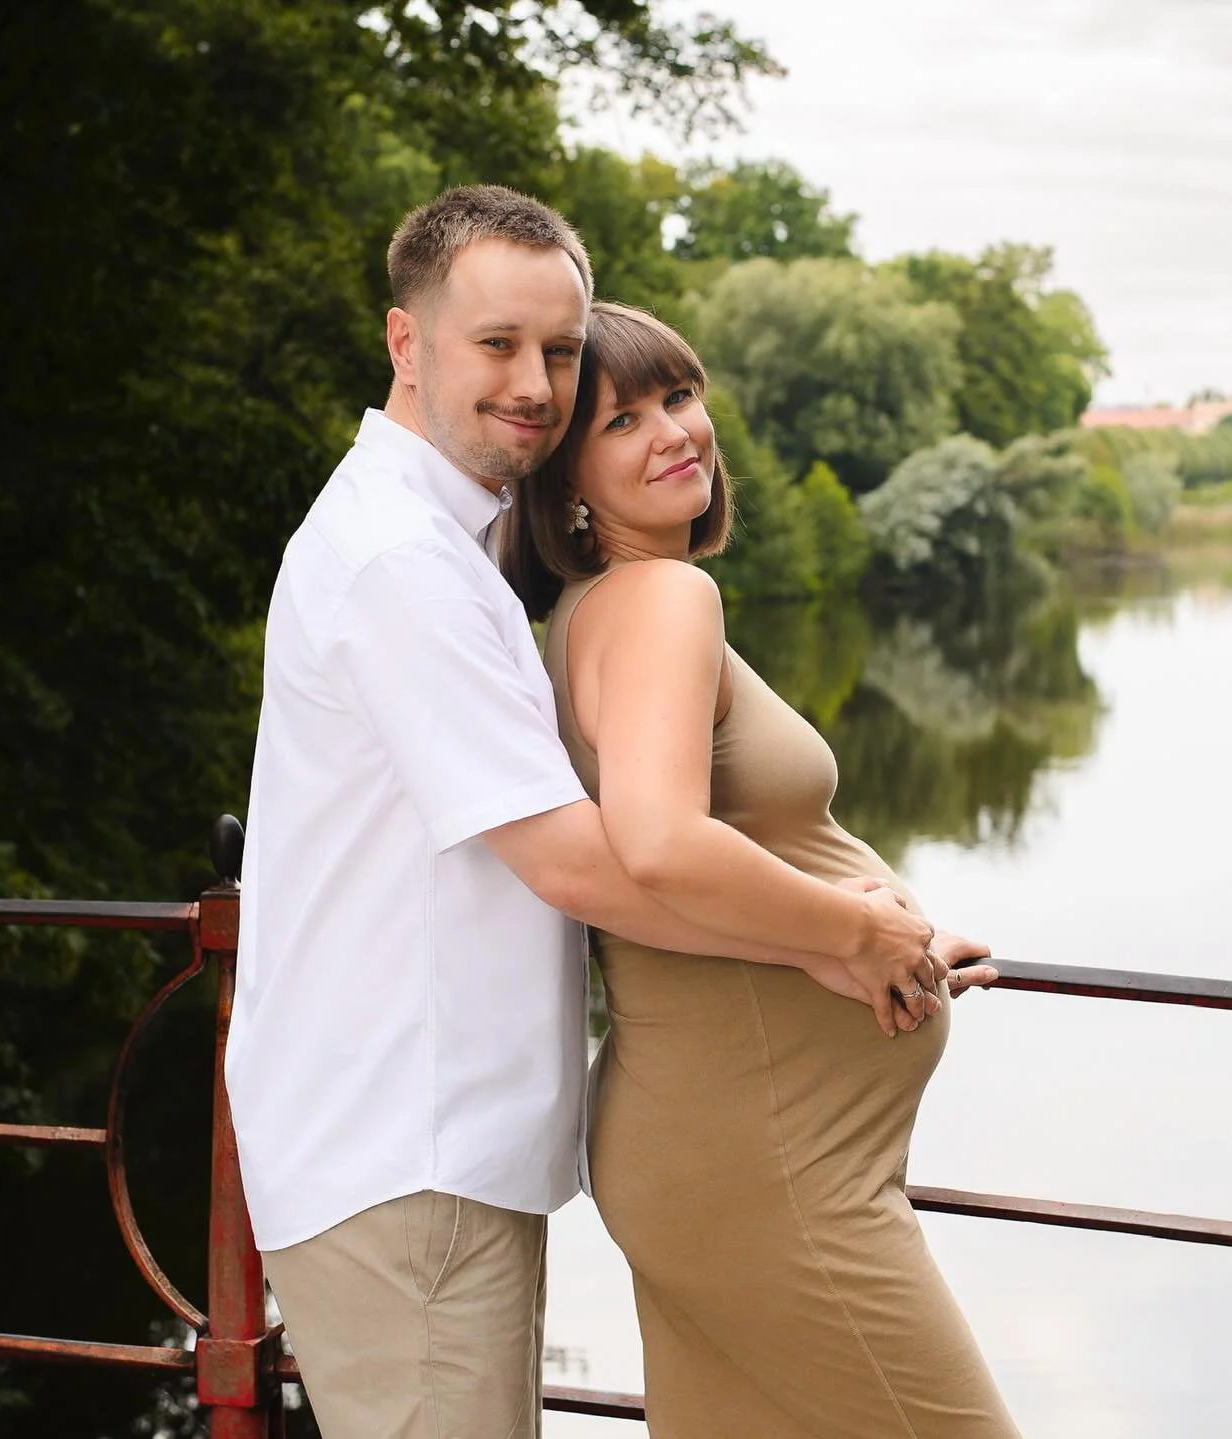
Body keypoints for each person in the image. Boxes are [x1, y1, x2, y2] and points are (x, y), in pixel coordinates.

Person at [226, 185, 953, 1439]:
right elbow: (593, 860)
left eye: (558, 351)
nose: (535, 381)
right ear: (408, 344)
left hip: (442, 1150)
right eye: (497, 343)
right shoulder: (400, 561)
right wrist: (856, 937)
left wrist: (873, 931)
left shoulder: (452, 549)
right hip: (408, 1153)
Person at [503, 300, 1019, 1437]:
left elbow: (707, 863)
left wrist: (898, 940)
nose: (673, 431)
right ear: (569, 483)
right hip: (765, 1163)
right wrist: (862, 931)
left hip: (731, 1151)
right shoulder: (660, 599)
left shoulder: (601, 609)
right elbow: (662, 839)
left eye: (679, 396)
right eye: (623, 420)